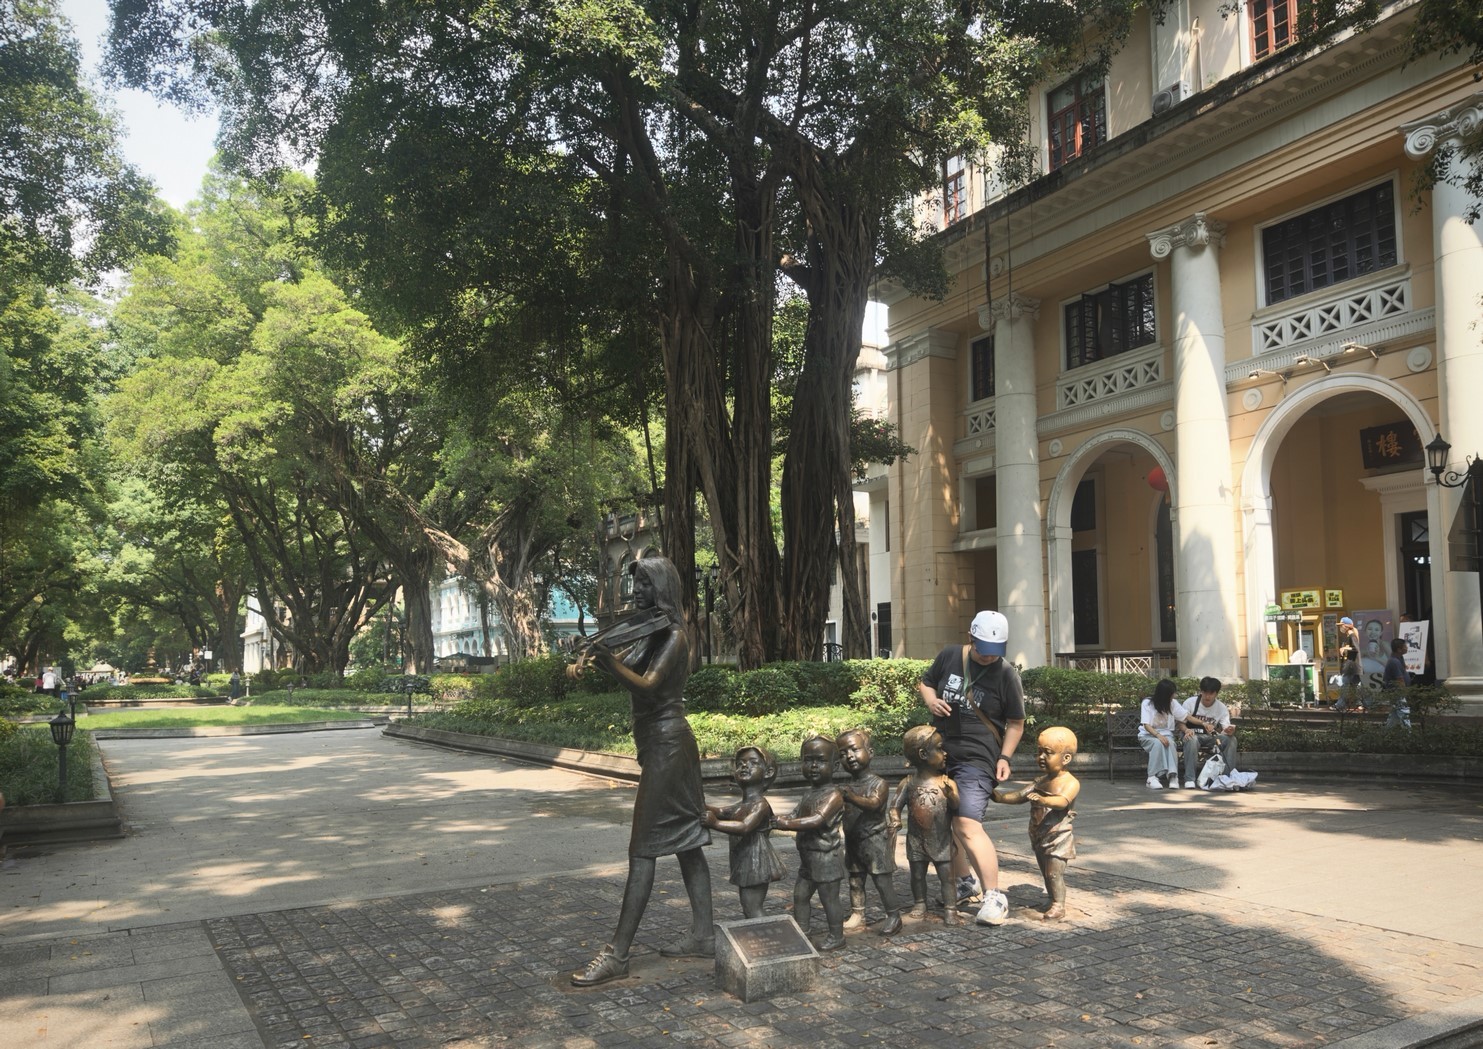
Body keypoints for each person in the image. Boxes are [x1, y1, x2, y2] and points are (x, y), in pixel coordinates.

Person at [567, 556, 713, 987]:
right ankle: (704, 935)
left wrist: (606, 661)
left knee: (642, 850)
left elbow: (647, 685)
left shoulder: (675, 636)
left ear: (664, 588)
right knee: (688, 842)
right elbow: (625, 668)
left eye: (646, 584)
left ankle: (618, 954)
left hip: (670, 745)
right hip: (659, 745)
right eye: (636, 584)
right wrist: (592, 657)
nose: (637, 591)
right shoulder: (650, 633)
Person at [916, 609, 1025, 927]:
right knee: (942, 821)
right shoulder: (950, 656)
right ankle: (964, 883)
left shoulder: (1006, 674)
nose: (989, 657)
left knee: (966, 822)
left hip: (978, 759)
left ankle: (995, 896)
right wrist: (931, 701)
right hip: (940, 754)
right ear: (970, 638)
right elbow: (926, 683)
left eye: (995, 652)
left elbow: (1015, 723)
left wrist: (1004, 758)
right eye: (983, 650)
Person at [992, 726, 1081, 921]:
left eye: (1047, 753)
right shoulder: (1040, 781)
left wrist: (1043, 800)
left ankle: (1058, 905)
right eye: (1039, 752)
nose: (1041, 757)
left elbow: (1062, 802)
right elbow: (1020, 795)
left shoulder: (1070, 782)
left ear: (1066, 758)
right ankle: (1051, 898)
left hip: (1058, 836)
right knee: (1045, 871)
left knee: (1054, 873)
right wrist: (1000, 797)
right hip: (1039, 834)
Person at [772, 735, 848, 951]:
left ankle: (837, 936)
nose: (813, 766)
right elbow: (795, 814)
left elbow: (816, 820)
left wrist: (786, 824)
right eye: (808, 760)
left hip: (826, 857)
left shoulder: (834, 795)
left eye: (820, 760)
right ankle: (802, 930)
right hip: (808, 858)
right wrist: (778, 819)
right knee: (800, 895)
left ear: (834, 766)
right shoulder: (809, 793)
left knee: (829, 898)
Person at [704, 746, 786, 919]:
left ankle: (763, 932)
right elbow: (720, 811)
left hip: (756, 859)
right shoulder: (742, 805)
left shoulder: (760, 805)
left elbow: (744, 827)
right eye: (740, 763)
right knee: (748, 904)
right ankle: (755, 930)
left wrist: (715, 824)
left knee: (752, 906)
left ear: (768, 772)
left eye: (752, 763)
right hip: (745, 859)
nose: (744, 766)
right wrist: (700, 803)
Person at [835, 728, 903, 936]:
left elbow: (874, 804)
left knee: (882, 880)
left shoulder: (879, 783)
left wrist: (851, 797)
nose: (849, 756)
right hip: (853, 840)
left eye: (854, 750)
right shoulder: (847, 786)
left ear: (870, 752)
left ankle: (893, 915)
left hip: (875, 840)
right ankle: (858, 913)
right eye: (843, 753)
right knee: (855, 879)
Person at [894, 725, 960, 926]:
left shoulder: (947, 783)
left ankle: (950, 908)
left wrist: (951, 796)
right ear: (923, 754)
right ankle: (920, 902)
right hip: (916, 839)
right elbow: (895, 806)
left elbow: (956, 807)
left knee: (947, 877)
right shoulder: (908, 783)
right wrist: (895, 818)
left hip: (941, 840)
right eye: (939, 748)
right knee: (917, 875)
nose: (945, 753)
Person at [1179, 677, 1238, 788]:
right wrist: (1186, 730)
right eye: (1205, 693)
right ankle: (1190, 779)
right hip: (1191, 734)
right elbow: (1181, 723)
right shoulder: (1190, 702)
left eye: (1211, 693)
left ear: (1216, 694)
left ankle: (1227, 777)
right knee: (1192, 740)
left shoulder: (1221, 708)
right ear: (1201, 691)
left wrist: (1229, 730)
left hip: (1211, 736)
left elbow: (1225, 727)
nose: (1207, 696)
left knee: (1231, 740)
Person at [1138, 678, 1187, 789]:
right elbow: (1146, 725)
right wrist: (1158, 735)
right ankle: (1152, 777)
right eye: (1172, 694)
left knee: (1170, 743)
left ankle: (1173, 776)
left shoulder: (1173, 703)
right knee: (1157, 743)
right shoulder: (1147, 703)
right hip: (1147, 735)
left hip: (1166, 735)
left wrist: (1203, 723)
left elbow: (1185, 716)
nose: (1174, 696)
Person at [1382, 636, 1412, 729]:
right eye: (1405, 646)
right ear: (1399, 649)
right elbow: (1400, 679)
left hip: (1397, 692)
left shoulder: (1400, 658)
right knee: (1404, 711)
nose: (1406, 648)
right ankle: (1408, 733)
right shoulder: (1394, 662)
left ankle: (1386, 732)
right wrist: (1404, 692)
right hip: (1396, 692)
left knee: (1395, 713)